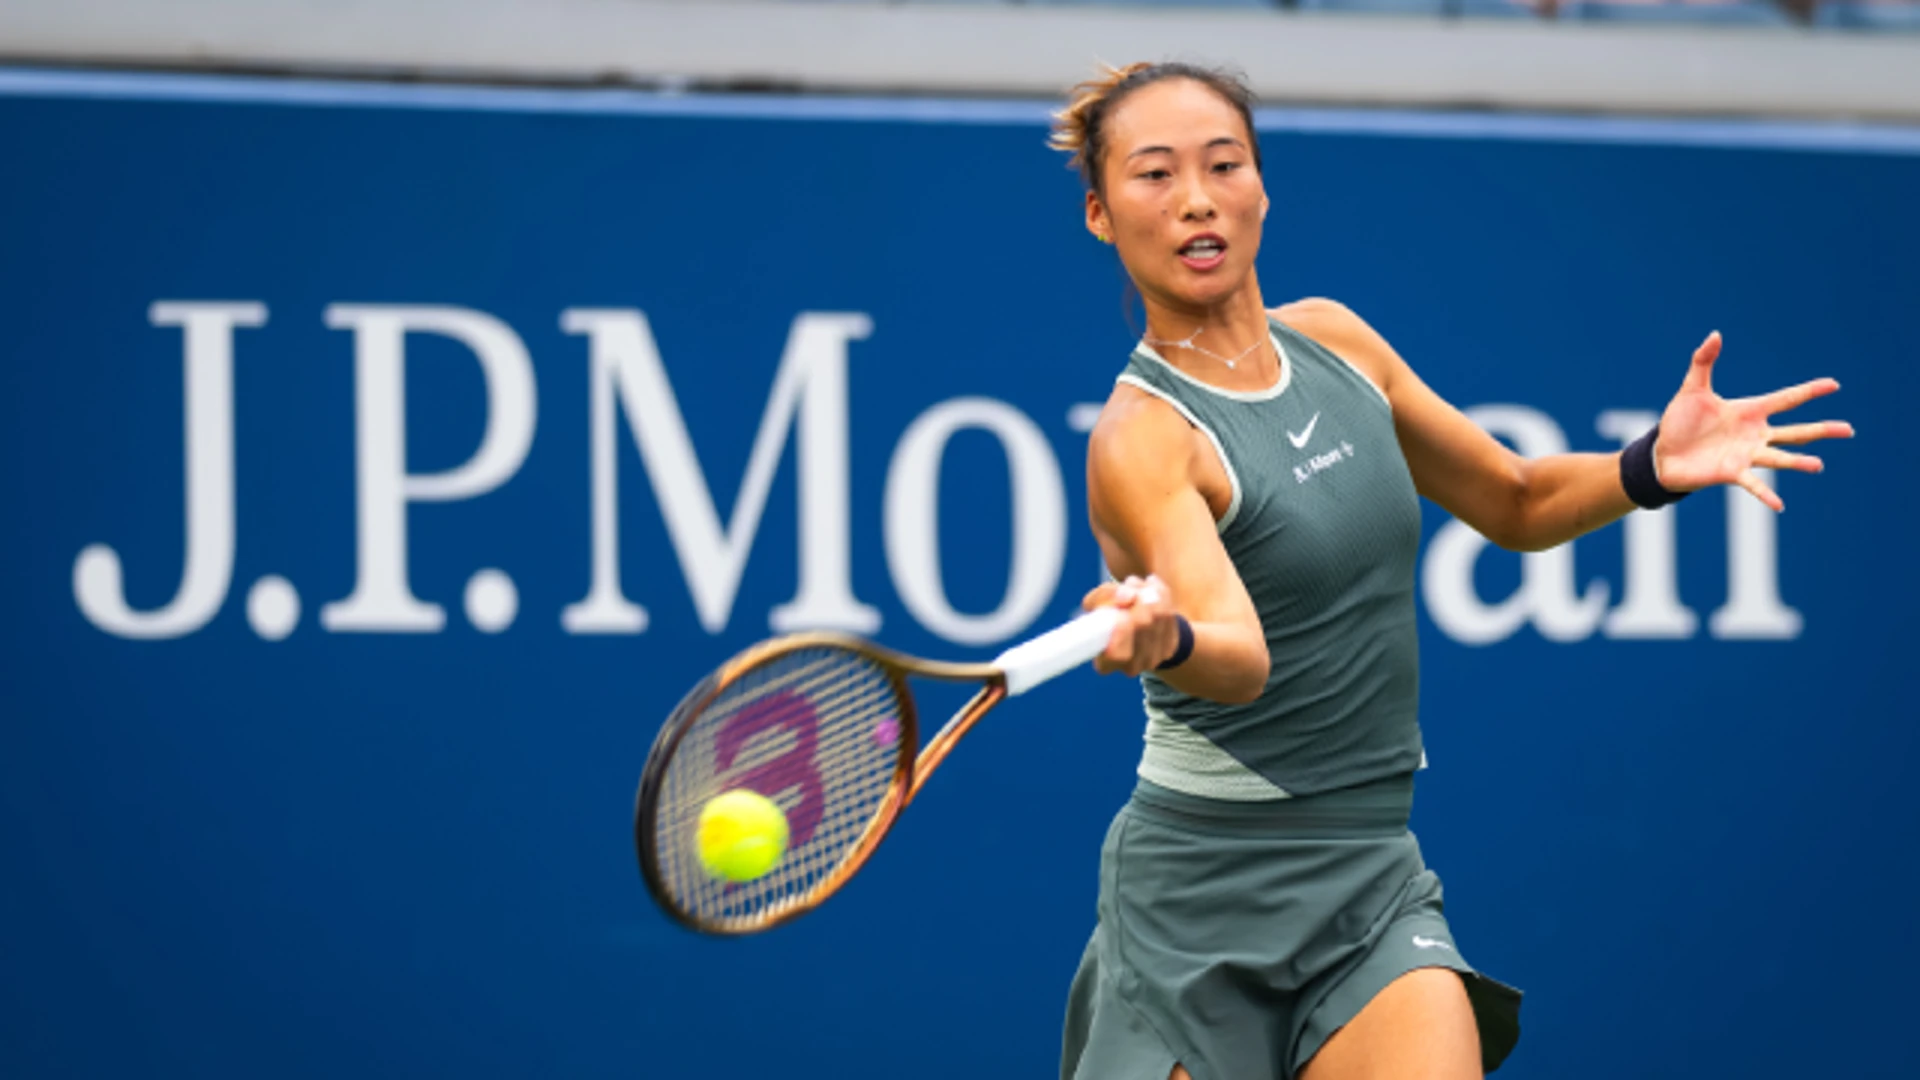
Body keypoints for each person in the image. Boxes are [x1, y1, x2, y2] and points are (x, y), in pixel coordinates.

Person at [1053, 61, 1852, 1080]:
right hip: (1199, 896)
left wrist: (1654, 464)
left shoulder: (1338, 342)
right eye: (1154, 175)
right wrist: (1166, 640)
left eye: (1224, 164)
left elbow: (1513, 500)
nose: (1197, 198)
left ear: (1262, 184)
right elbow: (1241, 658)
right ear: (1100, 213)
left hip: (1367, 872)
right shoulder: (1142, 438)